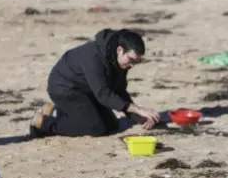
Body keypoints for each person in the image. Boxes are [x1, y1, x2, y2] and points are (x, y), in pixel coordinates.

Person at [30, 28, 160, 138]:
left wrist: (134, 116)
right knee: (96, 128)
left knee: (112, 125)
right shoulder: (94, 57)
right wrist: (138, 109)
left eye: (136, 61)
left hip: (87, 89)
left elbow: (118, 90)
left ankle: (54, 111)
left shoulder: (118, 60)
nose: (132, 65)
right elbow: (103, 94)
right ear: (119, 50)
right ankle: (42, 123)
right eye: (131, 60)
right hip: (64, 88)